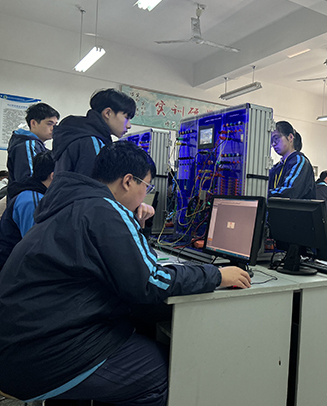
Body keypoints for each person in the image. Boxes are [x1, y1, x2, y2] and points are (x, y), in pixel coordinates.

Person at [0, 141, 251, 405]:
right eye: (147, 186)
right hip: (43, 357)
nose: (145, 195)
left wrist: (134, 224)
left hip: (20, 346)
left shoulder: (73, 203)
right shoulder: (104, 210)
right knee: (167, 371)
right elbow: (151, 281)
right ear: (128, 181)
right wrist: (217, 275)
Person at [53, 88, 136, 177]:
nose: (129, 125)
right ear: (108, 113)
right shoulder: (92, 141)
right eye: (126, 117)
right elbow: (94, 182)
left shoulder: (77, 133)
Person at [0, 152, 54, 269]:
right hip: (10, 266)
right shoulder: (32, 201)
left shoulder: (34, 193)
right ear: (53, 176)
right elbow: (34, 245)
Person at [7, 103, 59, 184]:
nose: (53, 128)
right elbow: (29, 179)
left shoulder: (35, 145)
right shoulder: (27, 145)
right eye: (49, 124)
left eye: (55, 125)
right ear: (33, 123)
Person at [268, 121, 315, 199]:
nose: (273, 144)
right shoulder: (277, 166)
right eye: (271, 141)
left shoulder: (299, 161)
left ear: (290, 137)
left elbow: (289, 191)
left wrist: (263, 194)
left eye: (276, 139)